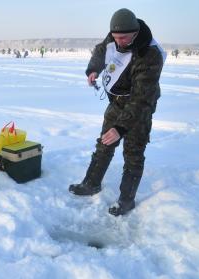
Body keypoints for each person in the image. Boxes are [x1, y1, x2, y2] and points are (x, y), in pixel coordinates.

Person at [69, 8, 166, 216]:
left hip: (140, 106)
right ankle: (91, 183)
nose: (119, 41)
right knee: (104, 143)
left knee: (133, 152)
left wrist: (121, 127)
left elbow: (141, 98)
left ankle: (126, 200)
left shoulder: (150, 54)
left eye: (123, 38)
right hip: (117, 102)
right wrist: (94, 69)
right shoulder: (115, 37)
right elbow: (100, 50)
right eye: (115, 37)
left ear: (135, 32)